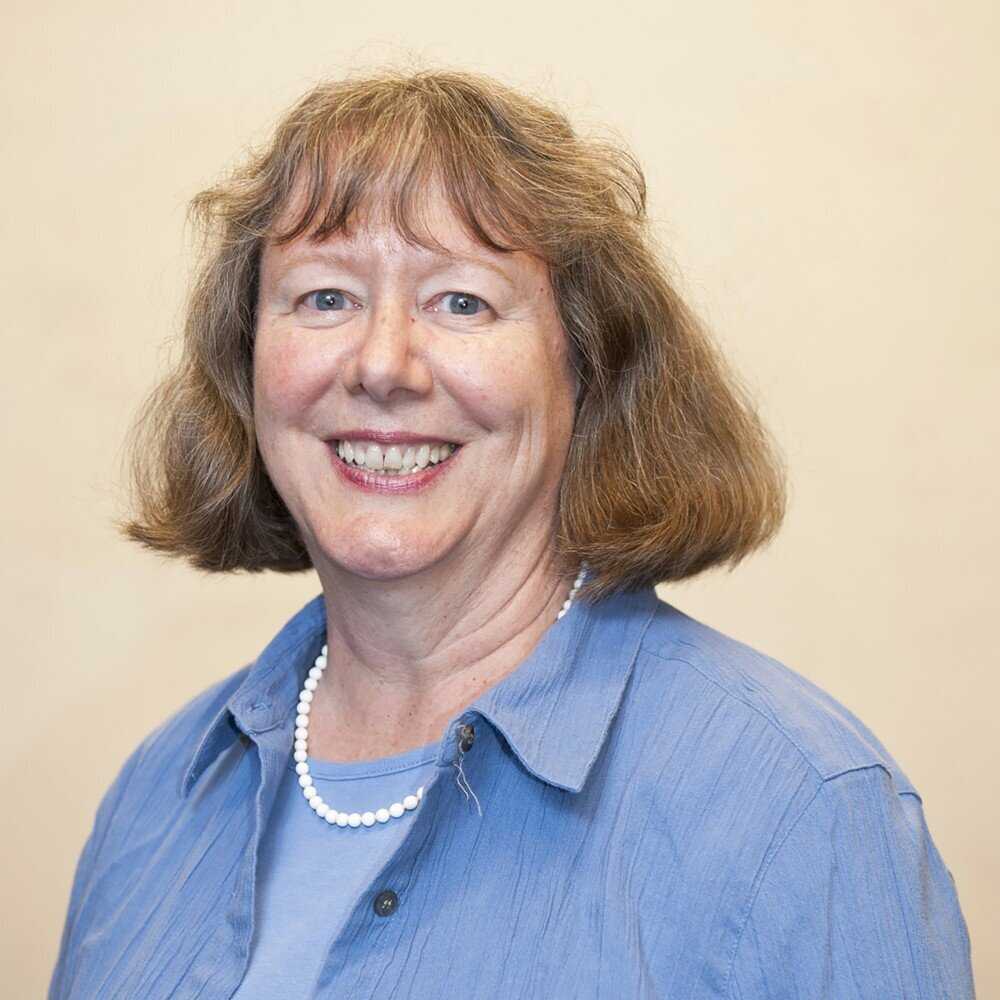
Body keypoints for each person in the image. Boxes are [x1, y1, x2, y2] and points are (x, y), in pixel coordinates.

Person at [48, 68, 975, 999]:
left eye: (463, 302)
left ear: (587, 369)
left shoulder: (795, 807)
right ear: (246, 366)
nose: (382, 364)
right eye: (325, 296)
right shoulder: (160, 796)